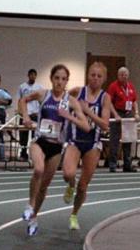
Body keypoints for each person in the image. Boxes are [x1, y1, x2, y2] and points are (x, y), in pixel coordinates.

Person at [18, 64, 90, 236]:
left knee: (44, 186)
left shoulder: (71, 102)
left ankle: (34, 217)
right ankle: (30, 204)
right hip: (40, 142)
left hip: (57, 148)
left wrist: (69, 116)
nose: (59, 82)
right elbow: (22, 100)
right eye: (56, 78)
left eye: (63, 79)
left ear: (67, 81)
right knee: (38, 169)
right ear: (51, 79)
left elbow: (85, 126)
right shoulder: (43, 94)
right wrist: (26, 117)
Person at [62, 62, 112, 230]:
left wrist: (88, 111)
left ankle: (74, 214)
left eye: (99, 76)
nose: (95, 78)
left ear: (104, 79)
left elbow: (105, 124)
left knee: (83, 186)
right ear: (87, 76)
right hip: (75, 140)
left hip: (92, 144)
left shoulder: (105, 97)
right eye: (92, 75)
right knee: (68, 173)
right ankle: (70, 185)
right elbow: (62, 101)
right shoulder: (78, 91)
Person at [107, 67, 140, 172]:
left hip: (128, 113)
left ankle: (127, 164)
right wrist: (115, 114)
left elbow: (134, 101)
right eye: (121, 74)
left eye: (125, 74)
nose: (124, 76)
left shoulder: (131, 86)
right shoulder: (113, 86)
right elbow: (109, 102)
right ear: (118, 75)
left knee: (128, 139)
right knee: (114, 140)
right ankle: (112, 164)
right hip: (117, 112)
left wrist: (137, 113)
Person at [16, 69, 42, 161]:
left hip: (35, 114)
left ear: (36, 76)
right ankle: (23, 154)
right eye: (31, 75)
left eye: (34, 75)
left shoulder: (39, 87)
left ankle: (34, 154)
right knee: (23, 136)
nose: (32, 77)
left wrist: (40, 113)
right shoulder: (22, 86)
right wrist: (21, 113)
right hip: (25, 114)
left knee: (35, 136)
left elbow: (41, 101)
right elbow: (19, 100)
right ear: (28, 75)